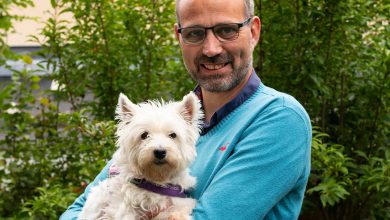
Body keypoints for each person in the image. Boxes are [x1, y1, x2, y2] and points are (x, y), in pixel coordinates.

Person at [60, 0, 312, 219]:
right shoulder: (164, 120)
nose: (211, 49)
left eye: (227, 30)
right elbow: (77, 210)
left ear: (254, 31)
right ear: (179, 37)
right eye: (194, 33)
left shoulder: (278, 118)